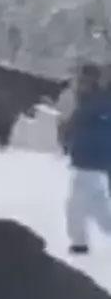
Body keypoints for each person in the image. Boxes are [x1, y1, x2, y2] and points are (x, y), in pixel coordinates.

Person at [59, 63, 111, 255]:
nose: (79, 84)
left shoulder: (98, 103)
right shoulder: (90, 102)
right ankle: (81, 240)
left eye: (83, 81)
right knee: (97, 206)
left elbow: (99, 132)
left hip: (92, 162)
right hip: (89, 163)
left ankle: (79, 244)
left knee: (75, 206)